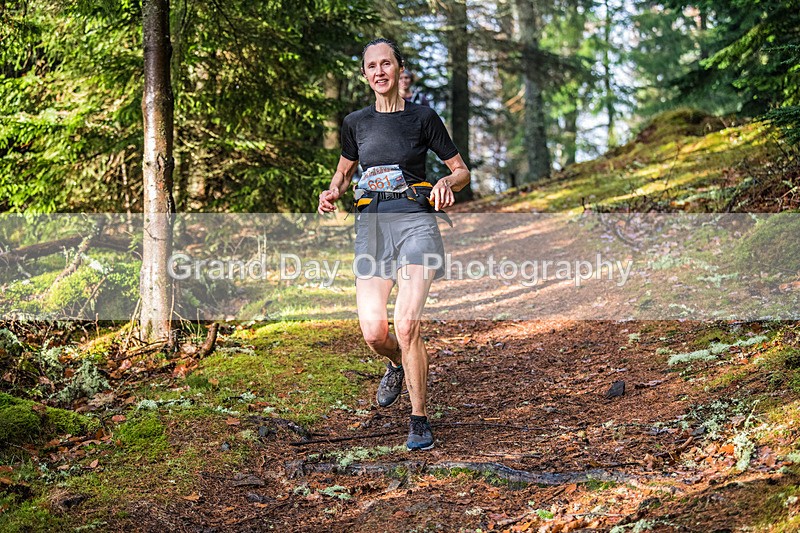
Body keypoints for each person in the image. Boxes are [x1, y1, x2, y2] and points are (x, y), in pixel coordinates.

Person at [317, 38, 470, 451]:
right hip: (372, 229)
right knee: (374, 332)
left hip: (416, 223)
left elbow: (461, 170)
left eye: (386, 63)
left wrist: (446, 182)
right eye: (372, 66)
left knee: (406, 325)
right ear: (364, 74)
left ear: (399, 69)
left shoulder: (422, 117)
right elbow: (344, 172)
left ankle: (419, 419)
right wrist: (332, 191)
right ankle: (397, 363)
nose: (380, 71)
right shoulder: (356, 123)